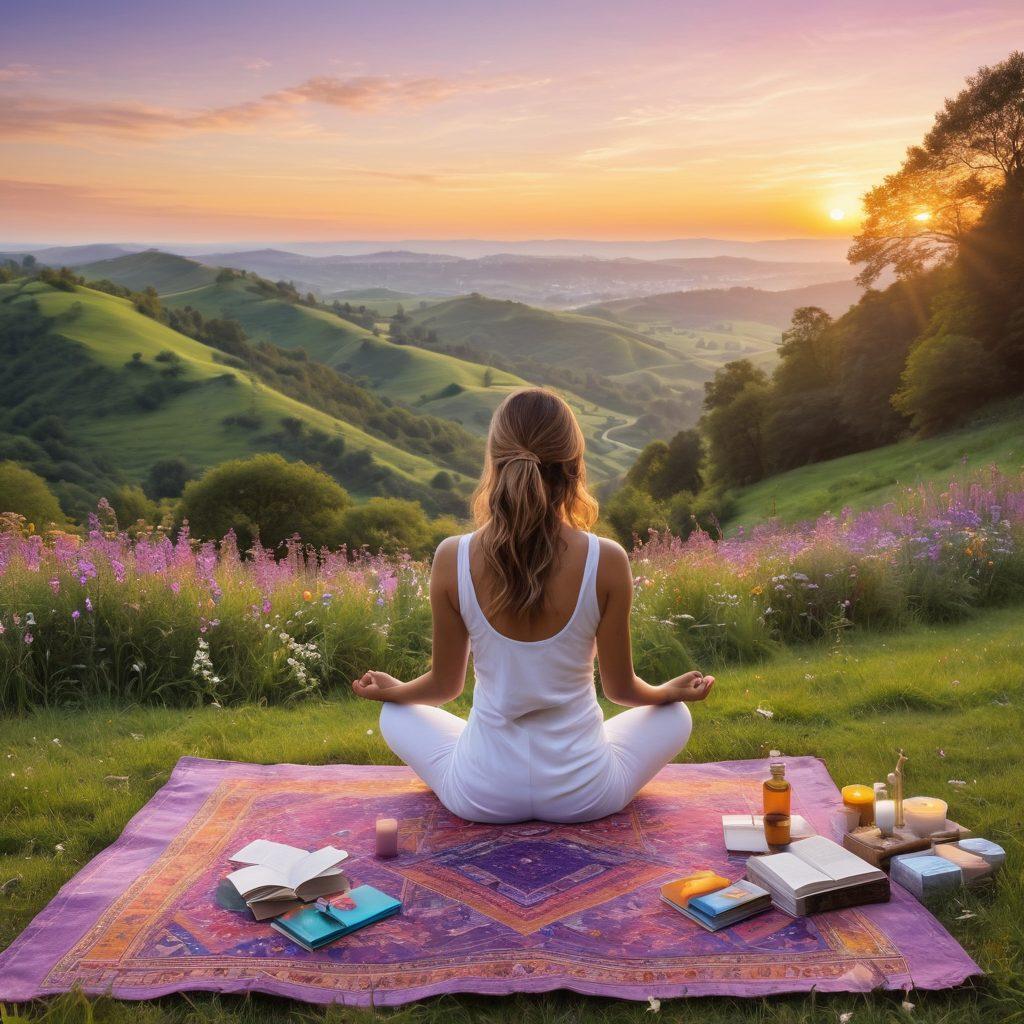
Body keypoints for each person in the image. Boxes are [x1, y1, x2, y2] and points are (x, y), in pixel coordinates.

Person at [352, 387, 714, 824]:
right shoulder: (607, 559)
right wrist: (666, 693)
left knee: (397, 715)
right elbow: (621, 691)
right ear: (574, 466)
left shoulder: (452, 556)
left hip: (482, 795)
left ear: (495, 462)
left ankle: (476, 750)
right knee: (674, 717)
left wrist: (395, 692)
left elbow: (445, 686)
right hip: (584, 794)